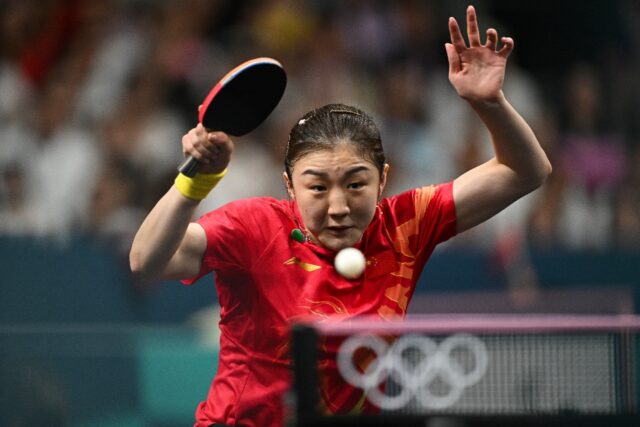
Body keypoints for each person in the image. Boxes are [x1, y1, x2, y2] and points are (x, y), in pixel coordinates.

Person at [129, 6, 551, 427]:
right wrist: (194, 183)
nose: (337, 206)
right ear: (290, 186)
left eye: (355, 184)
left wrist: (489, 103)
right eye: (317, 187)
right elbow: (147, 261)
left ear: (382, 180)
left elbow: (526, 171)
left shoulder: (406, 226)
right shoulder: (255, 226)